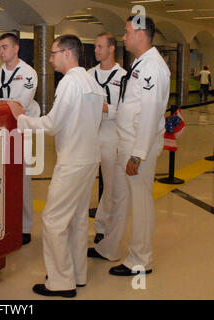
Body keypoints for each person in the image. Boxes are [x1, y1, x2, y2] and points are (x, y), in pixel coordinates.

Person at [8, 35, 105, 298]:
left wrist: (22, 119)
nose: (50, 60)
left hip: (72, 161)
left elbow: (52, 125)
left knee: (52, 220)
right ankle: (77, 273)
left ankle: (61, 282)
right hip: (89, 159)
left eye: (52, 54)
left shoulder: (70, 83)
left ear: (66, 53)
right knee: (77, 219)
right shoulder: (93, 83)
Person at [88, 16, 170, 277]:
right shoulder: (140, 64)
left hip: (137, 147)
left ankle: (140, 260)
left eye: (126, 32)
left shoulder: (153, 67)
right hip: (126, 143)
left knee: (141, 203)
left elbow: (150, 113)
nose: (123, 37)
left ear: (140, 33)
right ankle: (110, 247)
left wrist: (138, 154)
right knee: (122, 197)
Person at [0, 32, 40, 246]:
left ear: (16, 48)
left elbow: (21, 105)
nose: (1, 51)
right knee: (2, 178)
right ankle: (4, 223)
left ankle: (25, 227)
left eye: (4, 46)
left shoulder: (28, 73)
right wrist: (5, 103)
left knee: (22, 178)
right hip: (0, 132)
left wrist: (0, 102)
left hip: (21, 131)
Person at [87, 33, 127, 244]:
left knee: (111, 186)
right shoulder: (88, 75)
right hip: (90, 134)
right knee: (83, 182)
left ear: (112, 48)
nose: (96, 51)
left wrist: (107, 109)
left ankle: (103, 226)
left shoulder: (123, 77)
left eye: (100, 47)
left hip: (112, 135)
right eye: (95, 47)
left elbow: (127, 109)